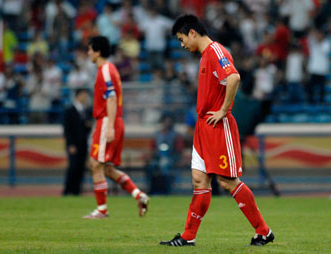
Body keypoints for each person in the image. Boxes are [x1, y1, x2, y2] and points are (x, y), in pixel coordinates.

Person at [160, 14, 274, 247]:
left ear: (193, 32)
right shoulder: (205, 56)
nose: (182, 45)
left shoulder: (215, 51)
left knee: (228, 181)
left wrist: (222, 110)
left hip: (217, 125)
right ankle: (188, 237)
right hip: (203, 126)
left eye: (182, 39)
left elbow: (233, 77)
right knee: (199, 180)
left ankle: (263, 231)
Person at [84, 36, 149, 219]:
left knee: (95, 163)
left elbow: (111, 98)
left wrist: (109, 126)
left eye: (90, 50)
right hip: (113, 120)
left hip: (107, 120)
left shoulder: (105, 70)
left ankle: (102, 210)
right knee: (106, 168)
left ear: (97, 51)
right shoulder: (111, 69)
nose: (88, 53)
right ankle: (139, 195)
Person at [63, 89, 92, 196]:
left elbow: (87, 128)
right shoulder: (69, 110)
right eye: (83, 95)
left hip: (83, 144)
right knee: (73, 167)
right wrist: (70, 144)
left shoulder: (87, 111)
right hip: (73, 144)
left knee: (80, 167)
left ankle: (77, 190)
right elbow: (67, 129)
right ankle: (68, 190)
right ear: (77, 96)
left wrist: (88, 126)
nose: (85, 98)